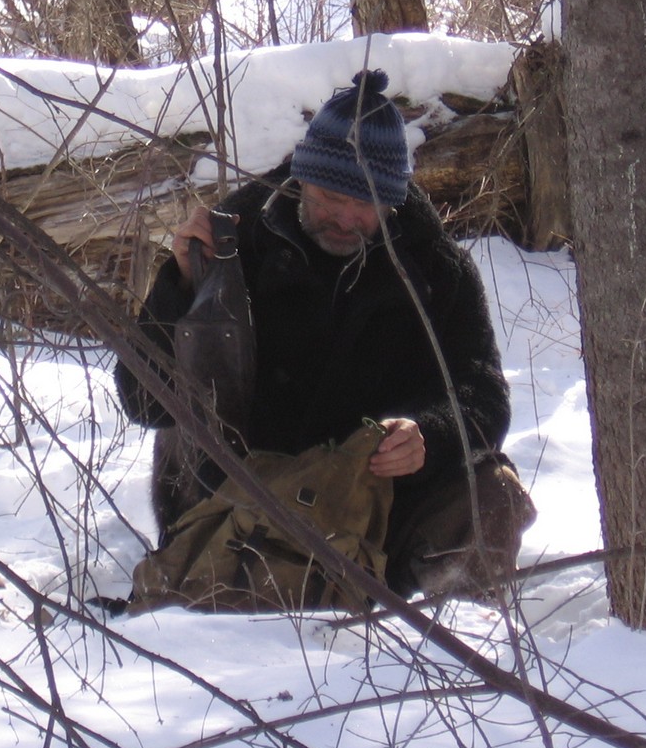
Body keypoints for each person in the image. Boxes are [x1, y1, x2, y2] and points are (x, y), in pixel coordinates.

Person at [114, 69, 536, 600]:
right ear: (300, 178)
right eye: (329, 195)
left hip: (371, 508)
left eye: (365, 204)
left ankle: (454, 642)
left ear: (394, 201)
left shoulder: (436, 269)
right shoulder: (232, 244)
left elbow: (484, 393)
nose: (344, 217)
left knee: (494, 492)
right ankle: (210, 585)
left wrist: (429, 435)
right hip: (237, 502)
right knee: (182, 405)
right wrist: (177, 286)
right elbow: (141, 400)